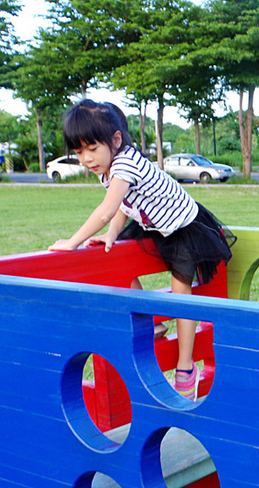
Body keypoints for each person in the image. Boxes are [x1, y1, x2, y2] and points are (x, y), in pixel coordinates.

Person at [49, 99, 235, 400]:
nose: (86, 158)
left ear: (116, 140)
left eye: (92, 148)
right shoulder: (109, 167)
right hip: (152, 224)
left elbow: (107, 208)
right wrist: (111, 235)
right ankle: (153, 321)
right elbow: (124, 204)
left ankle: (185, 365)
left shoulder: (125, 163)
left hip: (183, 227)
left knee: (180, 293)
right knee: (120, 265)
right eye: (79, 151)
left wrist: (72, 241)